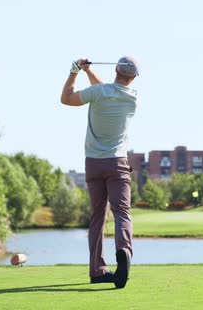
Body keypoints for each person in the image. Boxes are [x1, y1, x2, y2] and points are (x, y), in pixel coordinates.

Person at [60, 56, 139, 289]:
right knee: (122, 213)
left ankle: (97, 270)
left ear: (115, 69)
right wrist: (87, 72)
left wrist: (75, 70)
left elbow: (66, 99)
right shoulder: (132, 98)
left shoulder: (98, 93)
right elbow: (106, 89)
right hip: (117, 164)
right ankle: (123, 250)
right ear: (133, 77)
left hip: (93, 163)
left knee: (97, 217)